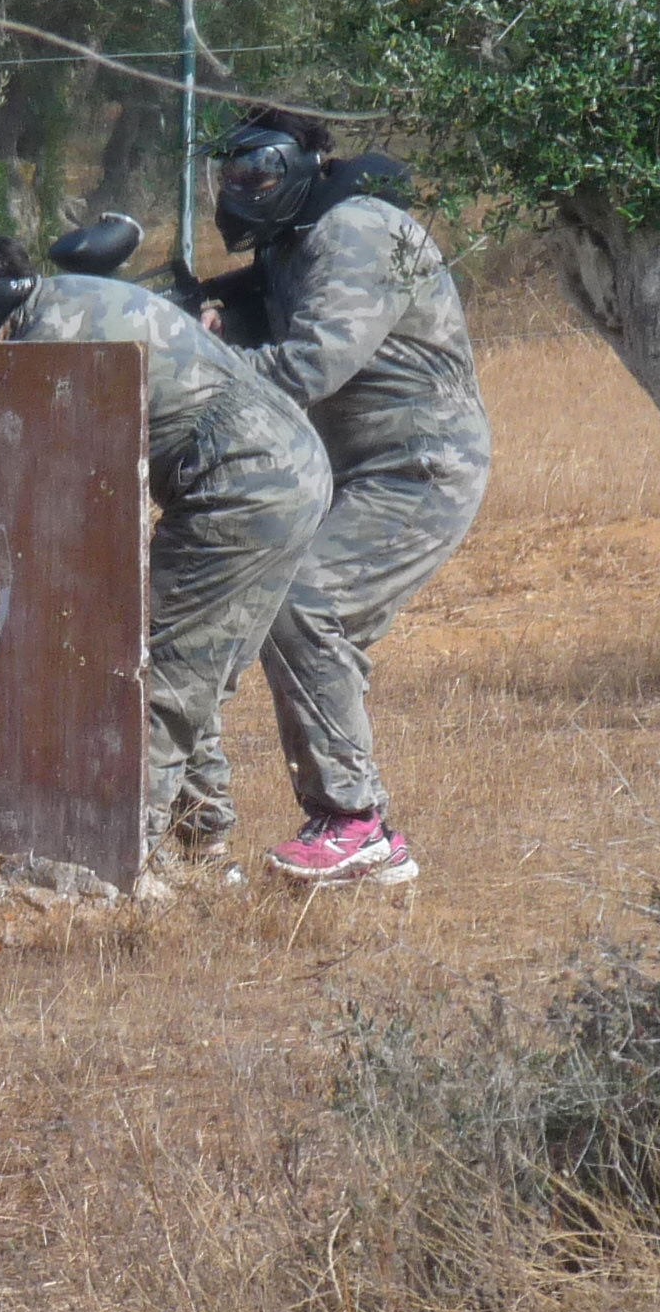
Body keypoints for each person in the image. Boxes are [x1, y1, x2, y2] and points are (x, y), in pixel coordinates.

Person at [0, 230, 331, 882]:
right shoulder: (59, 304)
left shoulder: (52, 342)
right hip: (278, 472)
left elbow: (38, 493)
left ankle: (113, 863)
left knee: (151, 673)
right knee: (191, 659)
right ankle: (203, 842)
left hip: (246, 485)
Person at [203, 107, 493, 888]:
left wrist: (191, 358)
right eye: (231, 174)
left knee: (305, 603)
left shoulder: (356, 231)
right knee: (307, 627)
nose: (241, 189)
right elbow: (267, 312)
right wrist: (213, 316)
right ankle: (365, 836)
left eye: (258, 172)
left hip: (419, 467)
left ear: (304, 165)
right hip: (358, 468)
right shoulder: (297, 241)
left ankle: (353, 821)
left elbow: (309, 366)